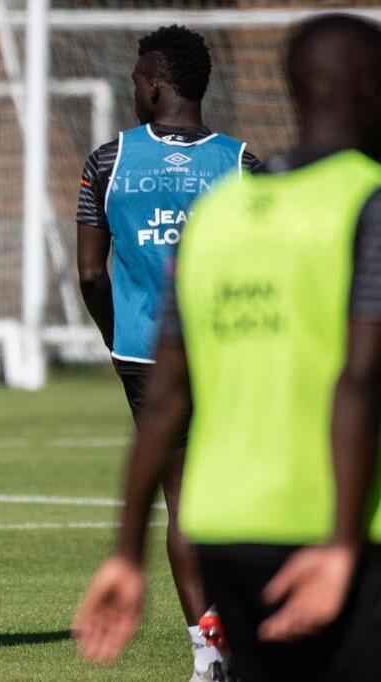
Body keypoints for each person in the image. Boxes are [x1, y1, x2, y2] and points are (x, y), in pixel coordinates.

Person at [73, 14, 381, 682]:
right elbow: (358, 379)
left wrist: (125, 552)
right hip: (324, 517)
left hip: (223, 517)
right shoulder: (332, 191)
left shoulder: (215, 220)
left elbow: (98, 286)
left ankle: (205, 652)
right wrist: (342, 541)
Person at [75, 24, 262, 681]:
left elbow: (92, 276)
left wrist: (115, 336)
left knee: (182, 501)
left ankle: (206, 656)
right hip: (233, 356)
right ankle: (253, 636)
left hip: (146, 357)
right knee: (242, 497)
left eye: (134, 80)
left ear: (153, 85)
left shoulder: (108, 161)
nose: (133, 89)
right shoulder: (243, 164)